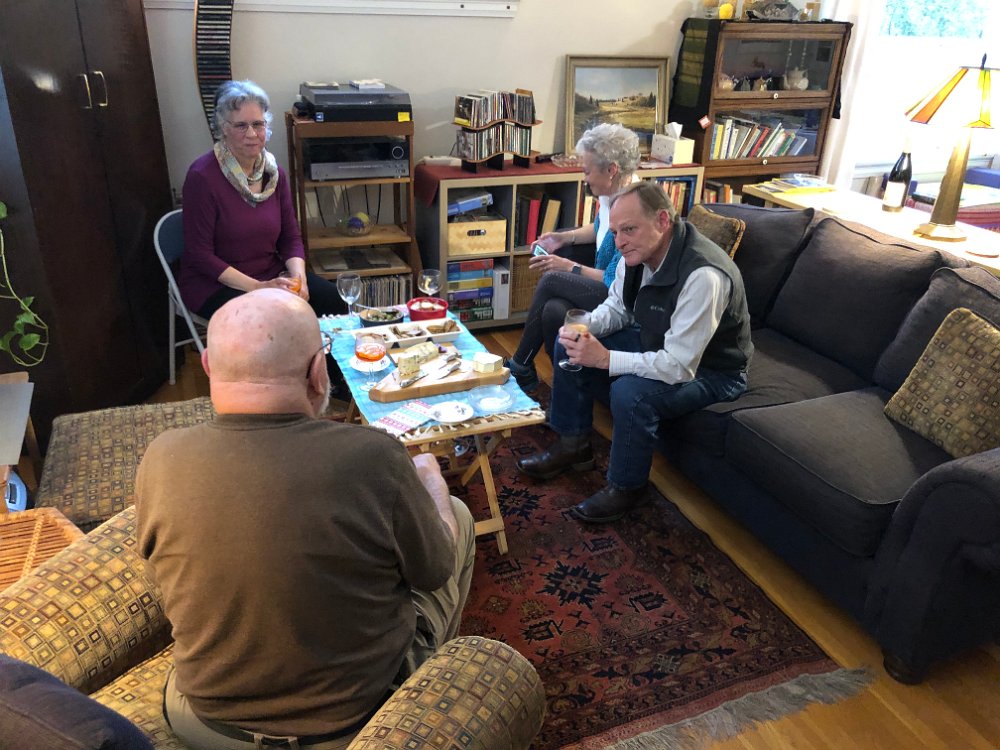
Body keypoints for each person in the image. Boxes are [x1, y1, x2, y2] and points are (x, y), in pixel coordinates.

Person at [135, 289, 475, 749]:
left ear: (209, 366)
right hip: (351, 725)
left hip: (204, 725)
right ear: (318, 372)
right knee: (457, 515)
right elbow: (433, 572)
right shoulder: (374, 456)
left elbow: (158, 571)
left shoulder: (161, 456)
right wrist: (431, 480)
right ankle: (430, 681)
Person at [517, 181, 753, 524]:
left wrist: (605, 359)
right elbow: (618, 308)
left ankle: (628, 488)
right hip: (661, 343)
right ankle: (573, 444)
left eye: (629, 229)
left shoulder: (703, 276)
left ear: (662, 220)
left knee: (631, 393)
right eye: (615, 232)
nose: (619, 241)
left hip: (713, 371)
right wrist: (585, 328)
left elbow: (678, 366)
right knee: (571, 343)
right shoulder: (635, 255)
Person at [178, 80, 345, 319]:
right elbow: (200, 255)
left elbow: (290, 237)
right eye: (241, 125)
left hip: (270, 274)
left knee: (336, 301)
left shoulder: (273, 173)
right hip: (215, 284)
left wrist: (299, 281)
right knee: (276, 318)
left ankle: (318, 347)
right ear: (223, 128)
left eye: (258, 124)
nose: (251, 134)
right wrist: (258, 287)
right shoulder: (202, 177)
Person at [506, 123, 641, 393]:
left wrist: (569, 267)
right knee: (554, 309)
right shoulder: (611, 194)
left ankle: (520, 366)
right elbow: (599, 229)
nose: (585, 178)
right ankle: (562, 383)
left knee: (553, 278)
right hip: (606, 286)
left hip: (623, 298)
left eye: (587, 171)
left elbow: (614, 279)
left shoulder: (632, 209)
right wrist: (563, 238)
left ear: (611, 170)